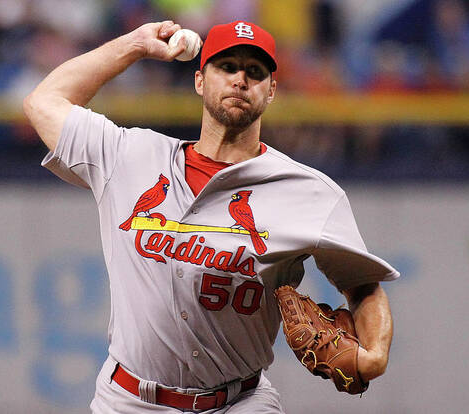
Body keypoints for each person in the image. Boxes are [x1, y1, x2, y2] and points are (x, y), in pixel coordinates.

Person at [23, 20, 399, 414]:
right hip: (129, 401)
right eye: (227, 67)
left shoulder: (309, 191)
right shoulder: (129, 155)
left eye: (255, 72)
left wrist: (374, 356)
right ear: (200, 80)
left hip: (240, 402)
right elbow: (42, 102)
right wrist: (134, 45)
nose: (240, 79)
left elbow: (363, 286)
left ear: (271, 90)